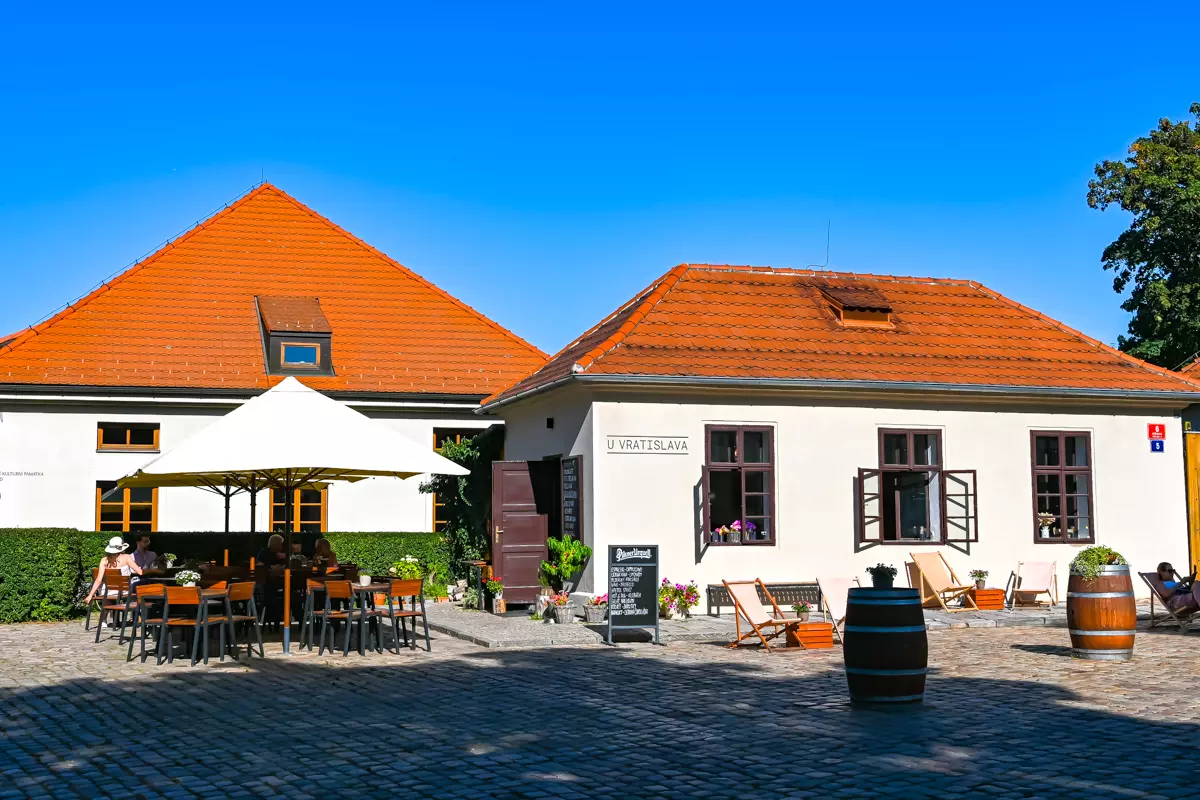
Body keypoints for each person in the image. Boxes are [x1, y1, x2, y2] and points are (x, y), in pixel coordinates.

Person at [84, 536, 145, 607]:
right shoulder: (127, 557)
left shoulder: (104, 560)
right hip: (123, 591)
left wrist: (90, 595)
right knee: (139, 591)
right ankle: (135, 616)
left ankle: (104, 617)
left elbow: (98, 580)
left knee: (108, 601)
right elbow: (140, 572)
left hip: (106, 591)